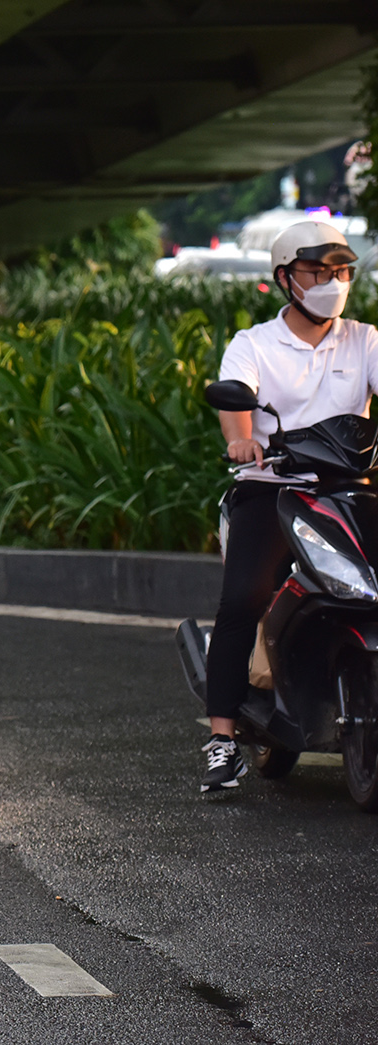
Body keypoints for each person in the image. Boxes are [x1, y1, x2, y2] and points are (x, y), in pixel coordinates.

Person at [200, 220, 378, 793]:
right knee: (244, 597)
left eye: (341, 271)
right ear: (285, 277)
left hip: (352, 487)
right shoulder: (253, 344)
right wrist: (242, 437)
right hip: (274, 486)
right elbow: (236, 401)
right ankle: (222, 739)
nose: (332, 282)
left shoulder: (365, 340)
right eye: (318, 271)